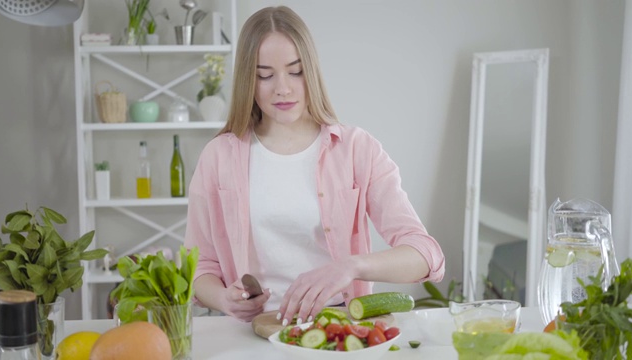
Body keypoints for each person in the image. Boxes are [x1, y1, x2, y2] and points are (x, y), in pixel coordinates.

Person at [184, 5, 445, 325]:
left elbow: (426, 255)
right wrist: (224, 299)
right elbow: (200, 267)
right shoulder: (218, 157)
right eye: (265, 75)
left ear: (312, 70)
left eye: (295, 71)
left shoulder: (356, 149)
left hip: (339, 326)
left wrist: (352, 266)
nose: (283, 87)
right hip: (255, 329)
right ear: (247, 81)